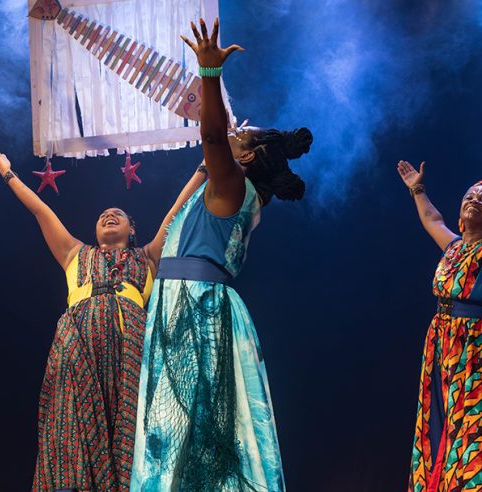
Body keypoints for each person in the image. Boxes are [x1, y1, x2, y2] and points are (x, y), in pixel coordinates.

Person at [131, 18, 313, 491]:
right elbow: (174, 219)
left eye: (244, 135)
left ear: (248, 159)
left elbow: (212, 138)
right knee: (181, 435)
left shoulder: (232, 187)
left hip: (198, 307)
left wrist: (209, 76)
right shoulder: (222, 189)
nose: (236, 131)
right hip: (181, 301)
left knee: (201, 432)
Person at [0, 135, 205, 491]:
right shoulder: (74, 253)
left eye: (117, 215)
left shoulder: (148, 257)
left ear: (132, 230)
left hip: (131, 350)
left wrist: (204, 169)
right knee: (68, 425)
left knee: (133, 426)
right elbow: (41, 210)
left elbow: (177, 212)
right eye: (103, 215)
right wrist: (7, 172)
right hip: (77, 346)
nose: (108, 215)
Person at [398, 160, 482, 491]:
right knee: (439, 425)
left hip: (477, 351)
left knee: (471, 429)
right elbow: (432, 219)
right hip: (442, 346)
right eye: (470, 195)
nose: (473, 200)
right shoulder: (454, 247)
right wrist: (417, 188)